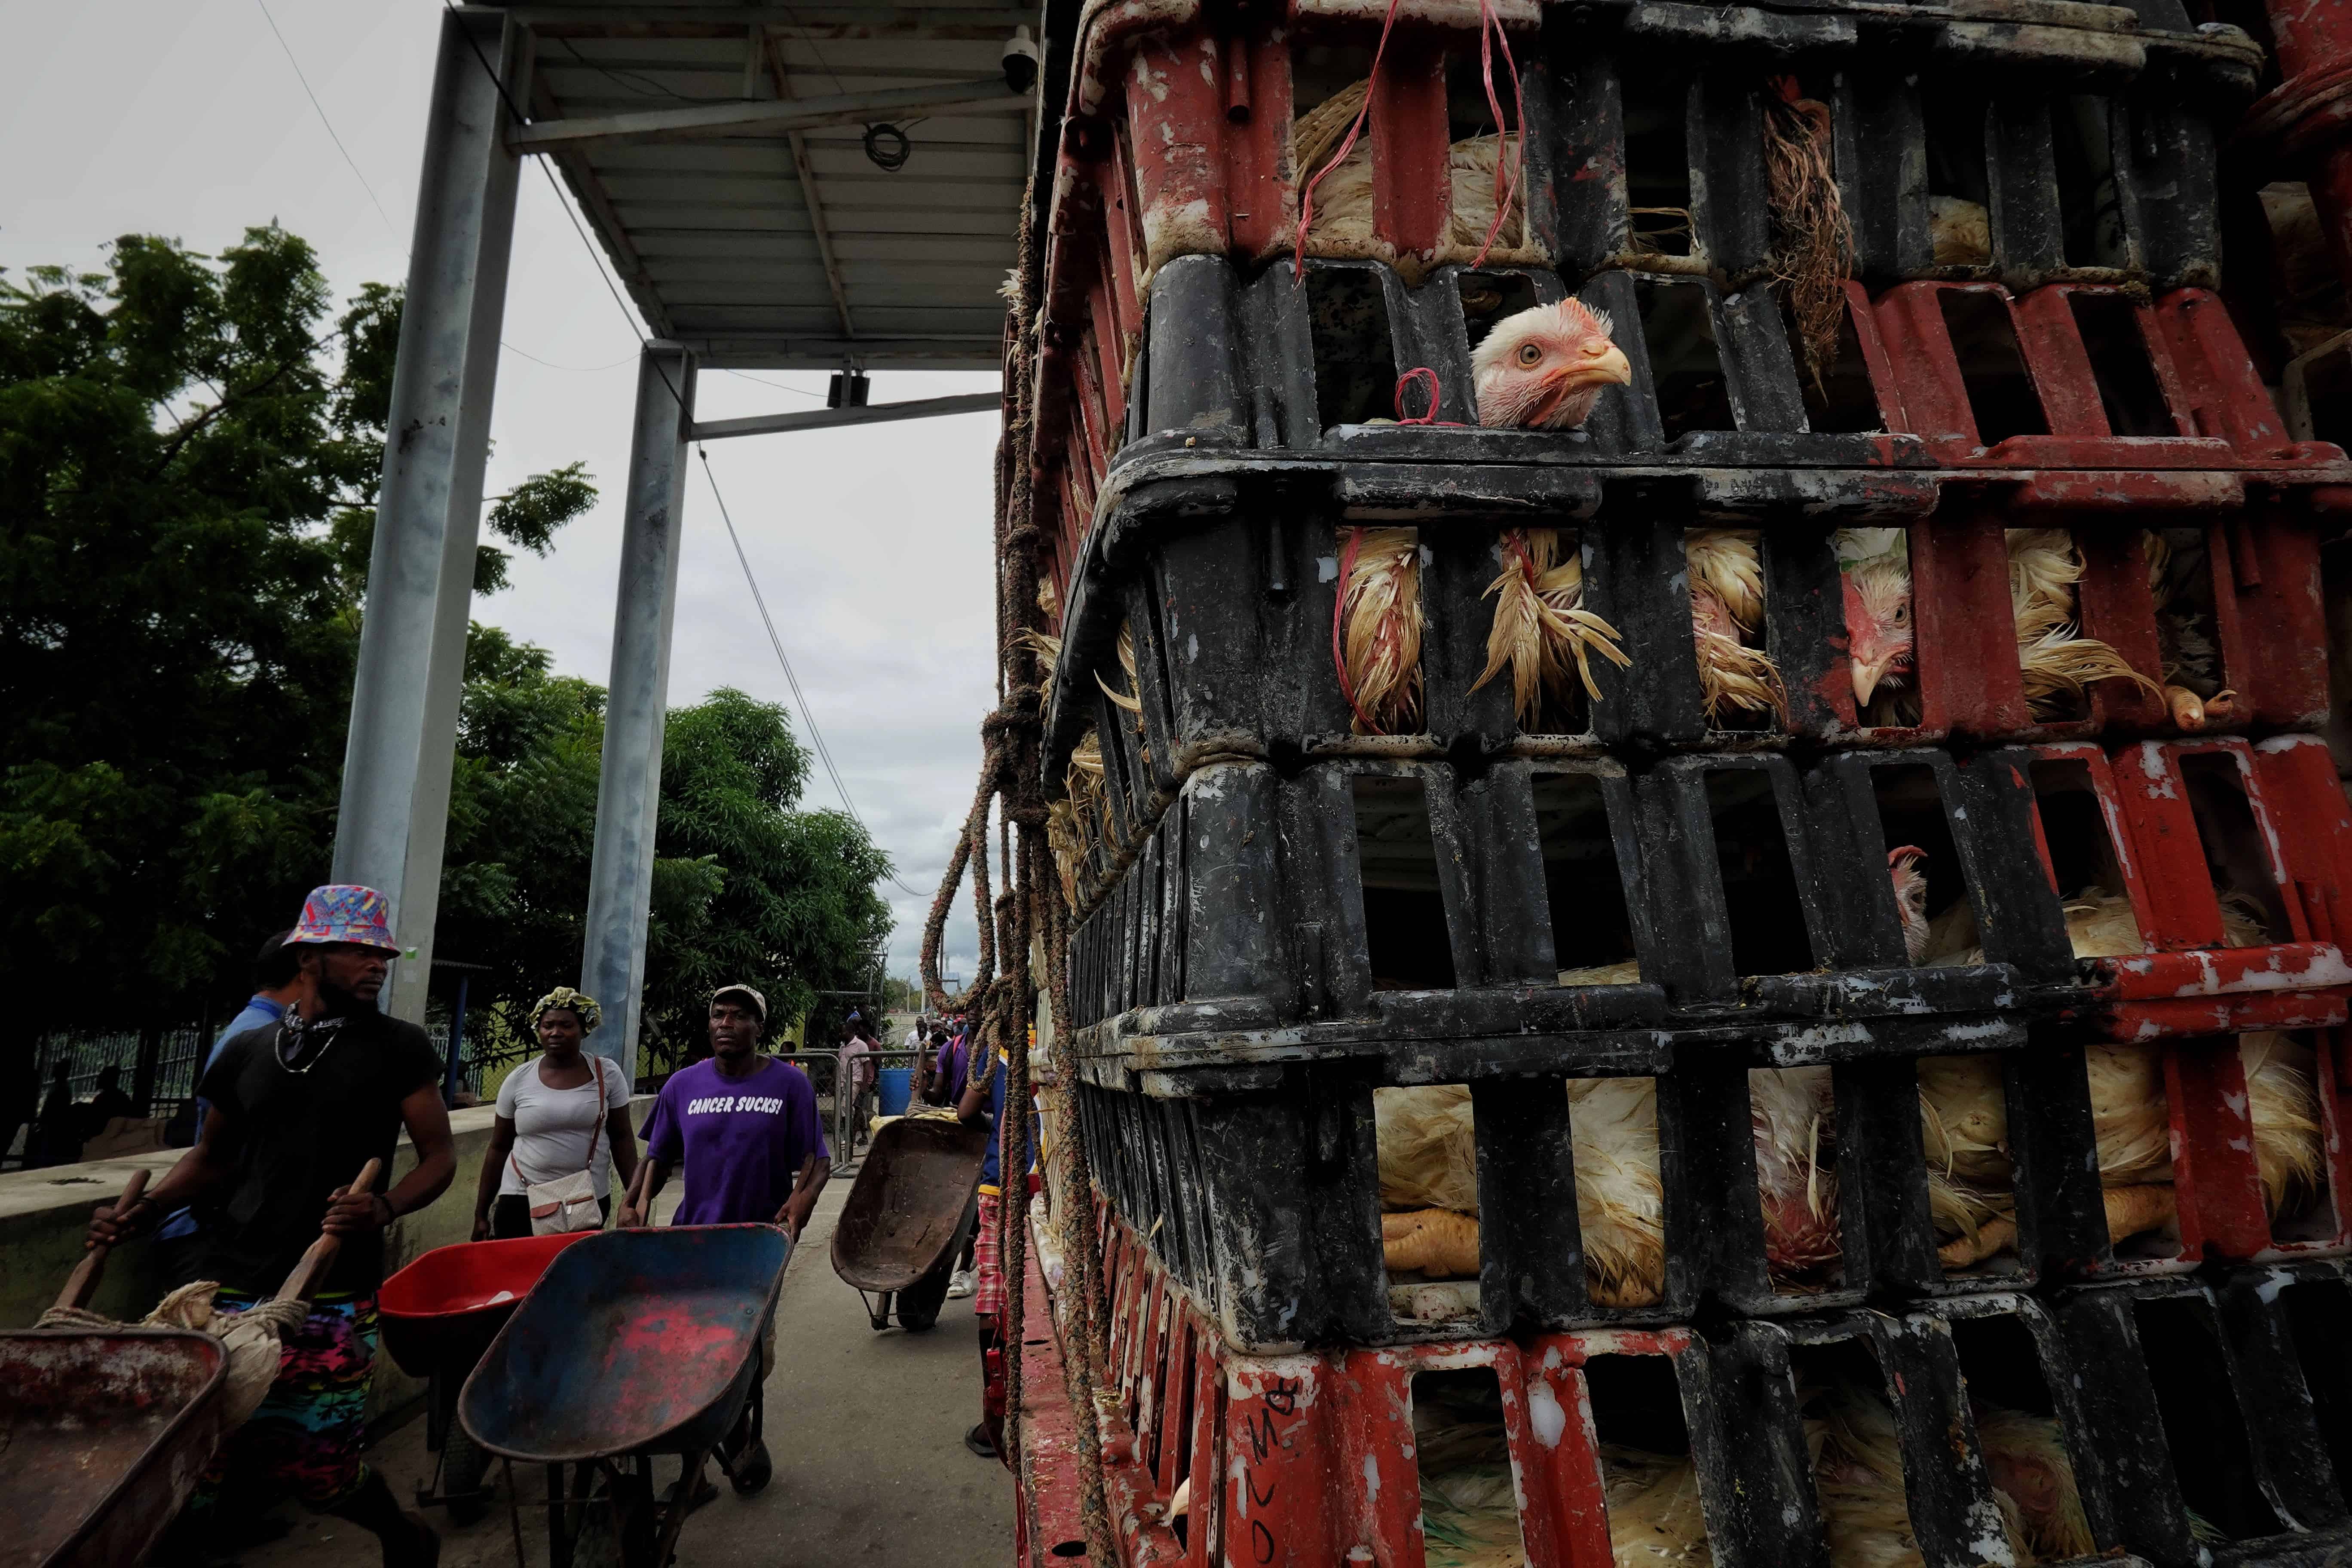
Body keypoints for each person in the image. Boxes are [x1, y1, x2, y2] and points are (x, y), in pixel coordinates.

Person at [86, 885, 456, 1568]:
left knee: (320, 1470)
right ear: (308, 956)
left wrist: (384, 1207)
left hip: (332, 1289)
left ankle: (404, 1536)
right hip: (226, 1284)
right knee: (200, 1459)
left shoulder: (399, 1047)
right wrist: (144, 1212)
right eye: (356, 951)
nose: (376, 965)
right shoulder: (247, 1051)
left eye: (381, 954)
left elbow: (439, 1157)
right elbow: (211, 1159)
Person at [618, 984, 828, 1485]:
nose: (725, 1024)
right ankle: (714, 1455)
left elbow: (815, 1158)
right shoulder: (683, 1086)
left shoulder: (788, 1085)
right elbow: (656, 1157)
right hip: (693, 1241)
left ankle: (734, 1433)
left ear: (759, 1028)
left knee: (751, 1356)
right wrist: (634, 1202)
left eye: (739, 1016)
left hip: (758, 1245)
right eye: (718, 1014)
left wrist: (802, 1201)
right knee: (692, 1350)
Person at [157, 930, 305, 1284]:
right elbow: (224, 1153)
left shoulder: (262, 1030)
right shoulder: (264, 1041)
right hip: (216, 1239)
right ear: (307, 971)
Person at [474, 987, 638, 1240]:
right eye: (548, 1025)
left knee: (574, 1274)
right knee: (521, 1275)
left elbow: (622, 1139)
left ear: (584, 1028)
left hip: (585, 1200)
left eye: (566, 1025)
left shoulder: (607, 1074)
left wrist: (633, 1200)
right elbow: (498, 1147)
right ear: (538, 1030)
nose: (555, 1032)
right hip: (521, 1199)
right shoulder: (518, 1080)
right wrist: (481, 1213)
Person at [957, 1030, 1039, 1461]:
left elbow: (965, 1113)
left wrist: (997, 1121)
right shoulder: (1053, 1047)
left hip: (999, 1189)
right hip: (1047, 1191)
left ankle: (996, 1413)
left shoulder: (996, 1057)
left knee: (994, 1301)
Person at [836, 1020, 875, 1155]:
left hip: (855, 1081)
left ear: (851, 1032)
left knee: (845, 1107)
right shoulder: (842, 1047)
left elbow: (867, 1066)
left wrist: (865, 1086)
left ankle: (849, 1134)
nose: (841, 1034)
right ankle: (848, 1137)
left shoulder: (861, 1045)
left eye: (844, 1031)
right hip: (843, 1082)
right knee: (847, 1109)